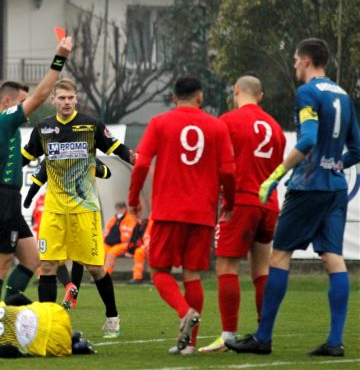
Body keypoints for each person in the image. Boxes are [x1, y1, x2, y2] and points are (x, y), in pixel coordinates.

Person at [226, 38, 360, 356]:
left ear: (306, 59)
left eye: (296, 60)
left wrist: (276, 175)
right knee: (333, 258)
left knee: (279, 256)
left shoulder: (308, 93)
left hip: (308, 187)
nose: (294, 65)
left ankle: (263, 338)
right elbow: (357, 148)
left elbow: (309, 138)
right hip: (336, 189)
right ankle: (335, 342)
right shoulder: (343, 95)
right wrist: (336, 164)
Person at [128, 76, 236, 355]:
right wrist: (229, 202)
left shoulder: (160, 123)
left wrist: (134, 200)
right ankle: (189, 345)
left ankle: (184, 311)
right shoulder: (217, 126)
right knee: (192, 275)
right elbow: (228, 171)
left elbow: (140, 163)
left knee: (159, 270)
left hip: (168, 210)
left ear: (174, 98)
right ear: (200, 98)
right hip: (202, 213)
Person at [21, 78, 135, 338]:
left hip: (85, 210)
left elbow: (115, 146)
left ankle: (112, 317)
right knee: (47, 266)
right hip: (53, 211)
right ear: (53, 101)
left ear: (76, 99)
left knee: (96, 269)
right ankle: (48, 325)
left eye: (70, 98)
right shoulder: (44, 129)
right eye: (61, 98)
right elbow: (26, 156)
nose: (66, 102)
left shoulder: (91, 125)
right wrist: (3, 175)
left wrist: (133, 157)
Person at [0, 36, 73, 308]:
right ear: (7, 101)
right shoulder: (5, 121)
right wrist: (59, 57)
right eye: (21, 101)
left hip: (1, 200)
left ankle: (8, 305)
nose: (26, 107)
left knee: (31, 259)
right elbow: (41, 96)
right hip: (3, 201)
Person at [198, 75, 286, 353]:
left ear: (236, 91)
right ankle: (263, 333)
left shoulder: (228, 121)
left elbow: (219, 166)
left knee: (226, 266)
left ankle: (227, 336)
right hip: (269, 203)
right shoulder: (275, 127)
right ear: (260, 96)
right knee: (261, 268)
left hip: (241, 202)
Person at [24, 158, 112, 309]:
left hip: (52, 224)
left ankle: (68, 286)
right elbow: (105, 172)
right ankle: (72, 297)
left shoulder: (43, 196)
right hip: (73, 216)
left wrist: (27, 199)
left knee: (52, 262)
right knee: (77, 260)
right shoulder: (79, 154)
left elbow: (105, 172)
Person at [103, 201, 138, 278]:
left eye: (120, 209)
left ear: (125, 209)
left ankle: (106, 275)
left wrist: (116, 240)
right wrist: (106, 240)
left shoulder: (130, 219)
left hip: (123, 244)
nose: (118, 211)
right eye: (117, 209)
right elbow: (106, 231)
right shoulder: (113, 219)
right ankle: (98, 274)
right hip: (110, 243)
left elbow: (128, 236)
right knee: (101, 253)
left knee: (111, 253)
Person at [126, 216, 150, 284]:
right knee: (138, 252)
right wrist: (130, 250)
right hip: (145, 246)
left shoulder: (151, 223)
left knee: (151, 254)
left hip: (154, 246)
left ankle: (155, 278)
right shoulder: (138, 226)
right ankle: (137, 277)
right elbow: (134, 239)